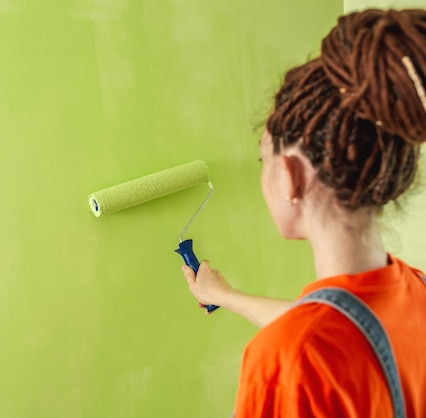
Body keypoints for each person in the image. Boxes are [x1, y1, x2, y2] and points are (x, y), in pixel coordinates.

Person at [181, 9, 426, 417]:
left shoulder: (285, 364)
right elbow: (339, 327)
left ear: (291, 177)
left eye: (264, 161)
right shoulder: (416, 291)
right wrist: (223, 295)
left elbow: (311, 340)